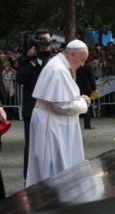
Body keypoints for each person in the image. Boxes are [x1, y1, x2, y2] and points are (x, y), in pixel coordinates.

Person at [25, 40, 91, 187]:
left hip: (50, 120)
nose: (81, 65)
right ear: (73, 54)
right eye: (82, 60)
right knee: (53, 166)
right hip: (51, 123)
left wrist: (79, 98)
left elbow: (61, 97)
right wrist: (83, 104)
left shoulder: (58, 64)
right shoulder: (59, 69)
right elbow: (62, 106)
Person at [16, 28, 53, 181]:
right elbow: (20, 79)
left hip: (50, 109)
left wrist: (48, 62)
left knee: (49, 144)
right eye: (43, 40)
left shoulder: (53, 59)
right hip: (31, 109)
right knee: (30, 145)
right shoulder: (25, 59)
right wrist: (31, 61)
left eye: (48, 40)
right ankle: (28, 178)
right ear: (36, 41)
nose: (46, 43)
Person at [75, 63, 97, 129]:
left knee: (76, 105)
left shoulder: (76, 66)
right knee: (87, 106)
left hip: (78, 87)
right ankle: (87, 124)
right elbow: (91, 78)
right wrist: (94, 88)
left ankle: (76, 124)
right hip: (87, 87)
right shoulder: (88, 67)